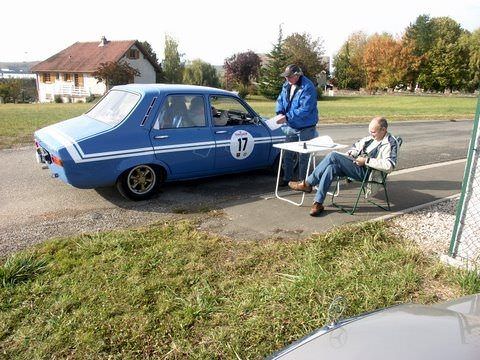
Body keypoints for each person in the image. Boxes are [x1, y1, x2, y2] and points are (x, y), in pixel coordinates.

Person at [288, 117, 399, 216]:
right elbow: (356, 147)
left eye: (373, 132)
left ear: (383, 130)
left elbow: (390, 165)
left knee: (333, 155)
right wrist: (351, 153)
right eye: (370, 132)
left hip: (370, 173)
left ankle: (307, 183)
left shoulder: (391, 143)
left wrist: (366, 160)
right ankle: (318, 203)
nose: (371, 134)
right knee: (330, 168)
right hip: (358, 166)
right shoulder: (370, 139)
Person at [275, 64, 319, 186]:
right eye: (286, 77)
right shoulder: (286, 85)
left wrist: (287, 117)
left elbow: (305, 109)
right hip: (291, 125)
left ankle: (302, 182)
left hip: (306, 127)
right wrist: (280, 113)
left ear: (297, 75)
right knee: (287, 153)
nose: (287, 79)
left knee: (303, 155)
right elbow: (280, 100)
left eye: (289, 77)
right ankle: (287, 178)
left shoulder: (308, 87)